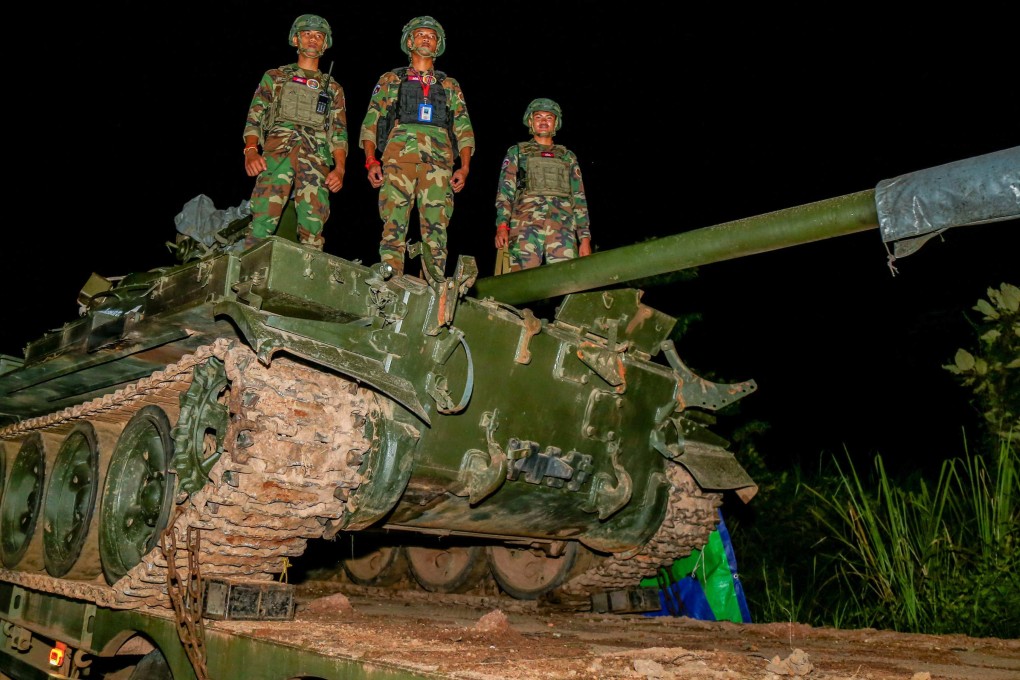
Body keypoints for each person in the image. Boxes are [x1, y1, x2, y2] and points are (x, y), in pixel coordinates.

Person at [360, 16, 475, 278]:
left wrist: (465, 168)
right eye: (421, 34)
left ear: (438, 45)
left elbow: (464, 128)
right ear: (409, 41)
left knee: (436, 229)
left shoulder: (449, 85)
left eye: (431, 36)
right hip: (398, 158)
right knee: (393, 224)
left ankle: (433, 288)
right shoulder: (391, 79)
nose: (426, 38)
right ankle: (390, 280)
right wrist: (370, 161)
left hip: (439, 163)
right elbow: (371, 121)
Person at [242, 14, 348, 251]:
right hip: (278, 153)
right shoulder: (275, 77)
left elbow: (339, 133)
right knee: (261, 221)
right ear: (296, 40)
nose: (313, 39)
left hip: (316, 159)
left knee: (313, 229)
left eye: (318, 36)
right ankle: (245, 277)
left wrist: (339, 169)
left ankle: (309, 279)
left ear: (325, 44)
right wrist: (250, 151)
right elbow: (255, 117)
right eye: (307, 34)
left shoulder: (333, 88)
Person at [493, 98, 591, 271]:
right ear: (531, 122)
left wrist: (584, 238)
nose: (543, 122)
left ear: (555, 123)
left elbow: (579, 198)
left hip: (563, 229)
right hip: (525, 228)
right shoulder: (517, 152)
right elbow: (505, 192)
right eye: (538, 117)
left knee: (569, 281)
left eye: (548, 118)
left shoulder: (568, 157)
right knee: (521, 284)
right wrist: (502, 226)